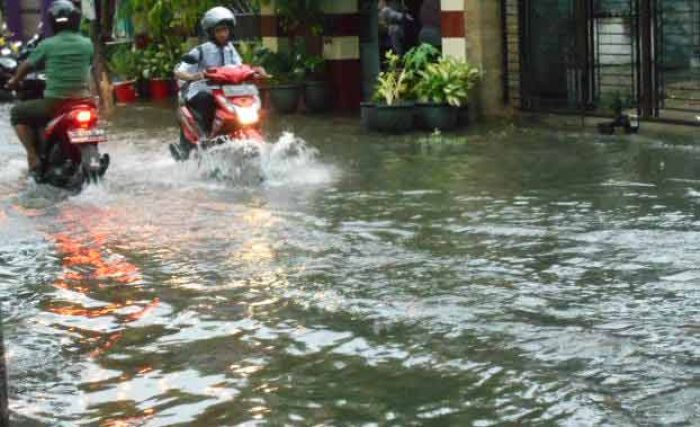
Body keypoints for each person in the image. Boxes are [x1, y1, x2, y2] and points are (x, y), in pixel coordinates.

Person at [7, 0, 93, 179]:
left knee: (16, 112)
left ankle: (33, 156)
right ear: (76, 20)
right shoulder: (87, 43)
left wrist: (15, 81)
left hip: (56, 103)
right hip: (85, 101)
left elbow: (26, 66)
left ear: (53, 22)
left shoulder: (48, 44)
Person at [174, 6, 243, 136]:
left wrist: (255, 71)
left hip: (226, 90)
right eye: (218, 31)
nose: (223, 34)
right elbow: (179, 71)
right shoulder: (201, 50)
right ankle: (205, 134)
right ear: (211, 33)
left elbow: (239, 66)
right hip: (202, 90)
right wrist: (194, 76)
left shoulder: (230, 48)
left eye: (225, 30)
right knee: (206, 99)